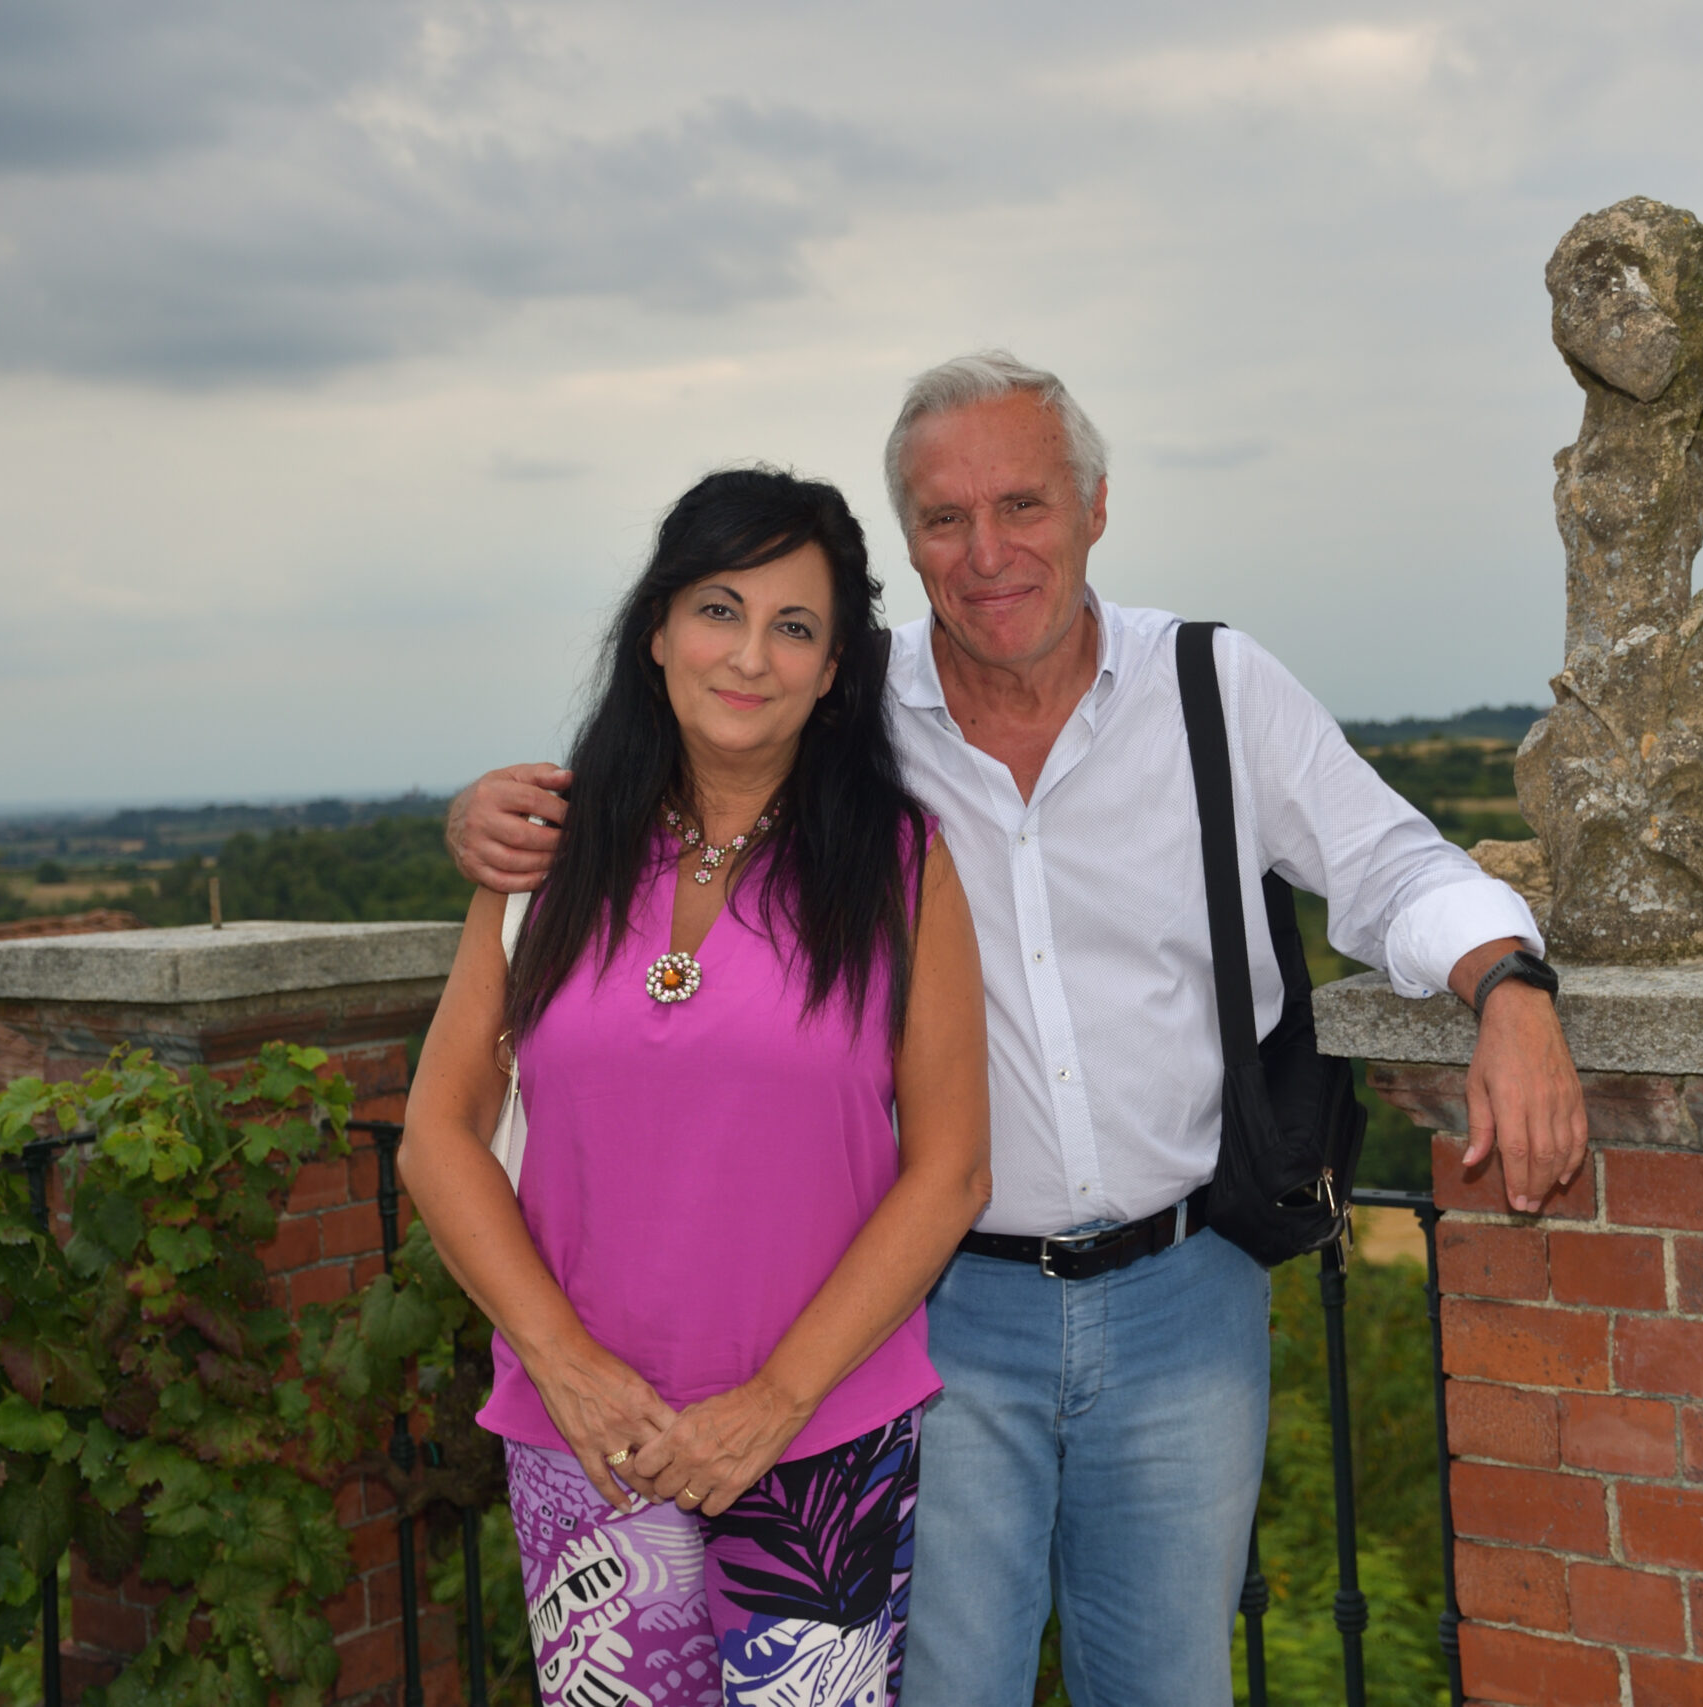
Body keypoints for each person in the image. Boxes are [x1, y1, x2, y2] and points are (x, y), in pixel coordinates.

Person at [448, 354, 1590, 1707]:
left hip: (1183, 1294)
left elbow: (1389, 865)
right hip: (941, 1311)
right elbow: (684, 767)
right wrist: (491, 819)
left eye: (1023, 505)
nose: (987, 552)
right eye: (945, 518)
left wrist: (1509, 987)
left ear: (1095, 507)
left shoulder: (1213, 688)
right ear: (909, 544)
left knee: (1164, 1684)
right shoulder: (845, 703)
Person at [403, 466, 992, 1706]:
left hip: (818, 1445)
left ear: (834, 672)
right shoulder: (545, 857)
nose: (751, 656)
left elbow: (950, 1170)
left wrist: (776, 1402)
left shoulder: (899, 866)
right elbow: (439, 1136)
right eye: (720, 609)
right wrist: (562, 1363)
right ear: (658, 630)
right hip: (586, 1442)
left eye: (796, 627)